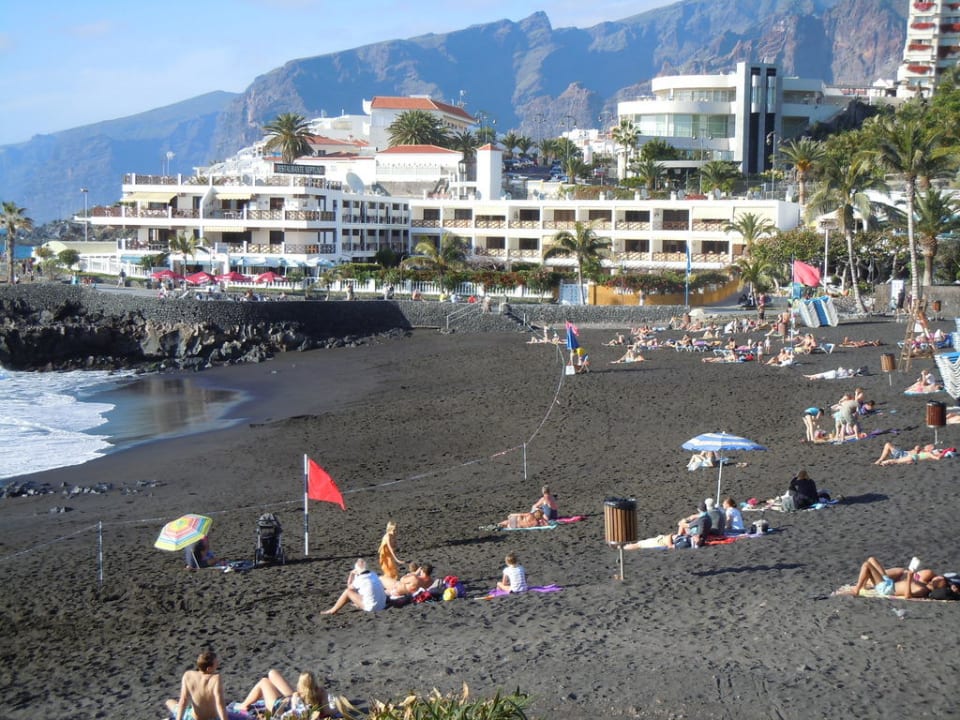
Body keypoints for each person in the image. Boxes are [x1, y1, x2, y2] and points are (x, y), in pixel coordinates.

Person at [165, 650, 228, 720]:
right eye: (216, 663)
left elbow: (183, 701)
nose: (218, 665)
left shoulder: (188, 675)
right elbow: (219, 704)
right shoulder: (215, 678)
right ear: (209, 669)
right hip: (212, 718)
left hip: (193, 718)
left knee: (169, 702)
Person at [238, 669, 328, 717]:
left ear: (300, 685)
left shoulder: (298, 694)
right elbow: (328, 711)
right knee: (272, 673)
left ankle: (243, 705)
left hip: (278, 707)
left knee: (264, 681)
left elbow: (292, 712)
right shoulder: (322, 692)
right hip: (291, 699)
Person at [848, 557, 940, 599]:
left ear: (936, 585)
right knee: (872, 559)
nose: (935, 578)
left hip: (886, 588)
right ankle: (863, 585)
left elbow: (908, 595)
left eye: (936, 580)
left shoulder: (923, 590)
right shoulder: (925, 584)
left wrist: (909, 578)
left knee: (866, 565)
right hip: (889, 582)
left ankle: (857, 590)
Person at [322, 558, 387, 615]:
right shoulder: (373, 574)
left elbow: (349, 587)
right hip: (382, 605)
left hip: (373, 608)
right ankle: (359, 604)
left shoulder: (360, 579)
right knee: (364, 590)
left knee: (348, 592)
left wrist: (351, 574)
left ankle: (333, 610)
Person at [875, 443, 947, 465]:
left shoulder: (927, 453)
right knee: (887, 444)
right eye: (928, 445)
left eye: (930, 446)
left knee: (894, 460)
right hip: (903, 453)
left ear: (931, 449)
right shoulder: (921, 449)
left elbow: (935, 456)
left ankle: (883, 461)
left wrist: (940, 453)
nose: (928, 445)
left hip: (904, 456)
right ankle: (880, 459)